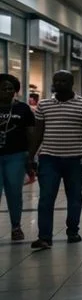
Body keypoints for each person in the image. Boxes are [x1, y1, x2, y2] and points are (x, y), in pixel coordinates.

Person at [27, 71, 82, 250]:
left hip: (75, 159)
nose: (59, 83)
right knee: (45, 198)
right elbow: (38, 133)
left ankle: (72, 230)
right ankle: (44, 237)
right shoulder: (44, 105)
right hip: (49, 158)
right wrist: (31, 156)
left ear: (71, 83)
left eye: (63, 80)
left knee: (74, 197)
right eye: (56, 80)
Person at [0, 74, 36, 241]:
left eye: (10, 89)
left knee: (14, 192)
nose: (7, 91)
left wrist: (31, 156)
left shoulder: (23, 109)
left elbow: (30, 133)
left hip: (16, 155)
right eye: (3, 88)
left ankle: (16, 227)